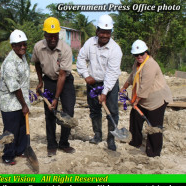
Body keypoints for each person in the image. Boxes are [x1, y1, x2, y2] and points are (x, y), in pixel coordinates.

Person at [76, 14, 123, 151]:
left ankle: (111, 138)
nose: (104, 35)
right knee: (94, 110)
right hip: (92, 82)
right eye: (102, 31)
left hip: (110, 84)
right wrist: (86, 75)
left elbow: (112, 73)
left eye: (107, 32)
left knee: (112, 111)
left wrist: (104, 92)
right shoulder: (90, 43)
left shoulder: (115, 49)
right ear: (97, 31)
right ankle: (97, 134)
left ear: (111, 33)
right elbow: (80, 59)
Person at [31, 17, 76, 157]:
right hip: (49, 80)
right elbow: (36, 63)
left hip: (65, 81)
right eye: (50, 35)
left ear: (58, 35)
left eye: (55, 35)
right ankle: (51, 144)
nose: (52, 38)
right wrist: (40, 81)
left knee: (68, 112)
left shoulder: (65, 49)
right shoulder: (38, 47)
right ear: (45, 34)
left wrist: (56, 98)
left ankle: (64, 143)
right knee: (50, 112)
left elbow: (62, 75)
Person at [120, 40, 173, 157]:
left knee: (154, 127)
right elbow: (132, 76)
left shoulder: (150, 65)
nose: (139, 56)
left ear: (146, 52)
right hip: (143, 99)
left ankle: (153, 152)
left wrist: (136, 102)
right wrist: (124, 87)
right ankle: (135, 142)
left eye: (141, 54)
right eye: (136, 55)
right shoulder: (137, 63)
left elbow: (145, 86)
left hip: (157, 100)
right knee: (135, 117)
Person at [0, 30, 30, 165]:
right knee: (11, 130)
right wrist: (24, 105)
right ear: (13, 46)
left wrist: (24, 103)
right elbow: (15, 87)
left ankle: (19, 150)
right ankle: (8, 155)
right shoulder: (10, 62)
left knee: (22, 128)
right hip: (10, 103)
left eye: (24, 44)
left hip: (21, 100)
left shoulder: (22, 58)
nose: (22, 47)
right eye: (19, 45)